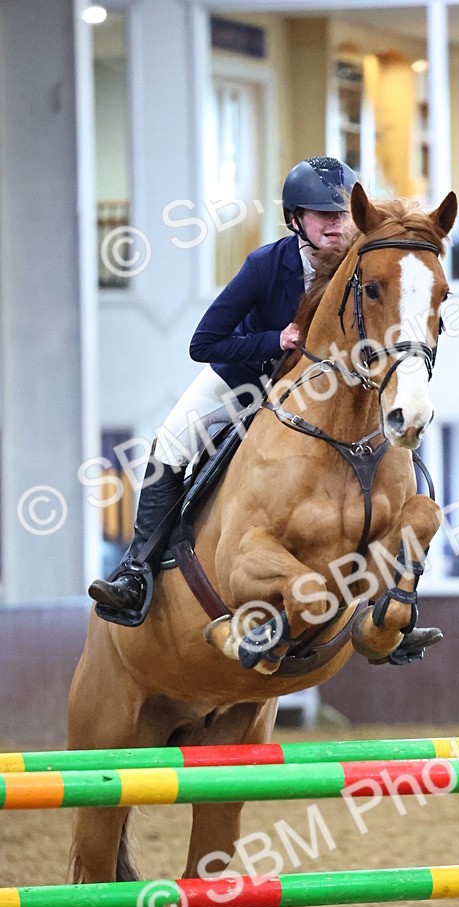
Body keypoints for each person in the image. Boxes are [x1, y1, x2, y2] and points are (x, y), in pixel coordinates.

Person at [89, 156, 357, 619]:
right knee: (170, 444)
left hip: (320, 395)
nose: (336, 224)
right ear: (296, 220)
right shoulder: (265, 265)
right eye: (323, 214)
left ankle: (398, 595)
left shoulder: (361, 264)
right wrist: (275, 341)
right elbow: (204, 342)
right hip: (246, 384)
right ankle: (137, 572)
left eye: (344, 214)